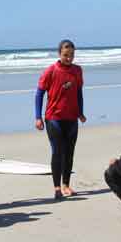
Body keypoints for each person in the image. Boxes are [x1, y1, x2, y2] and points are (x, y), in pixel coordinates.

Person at [35, 39, 86, 200]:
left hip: (71, 118)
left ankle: (66, 185)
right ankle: (57, 188)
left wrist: (81, 112)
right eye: (66, 55)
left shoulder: (77, 71)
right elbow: (39, 93)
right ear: (59, 54)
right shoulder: (51, 71)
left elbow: (79, 93)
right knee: (58, 152)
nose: (69, 58)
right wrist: (38, 117)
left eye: (71, 55)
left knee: (69, 153)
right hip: (54, 118)